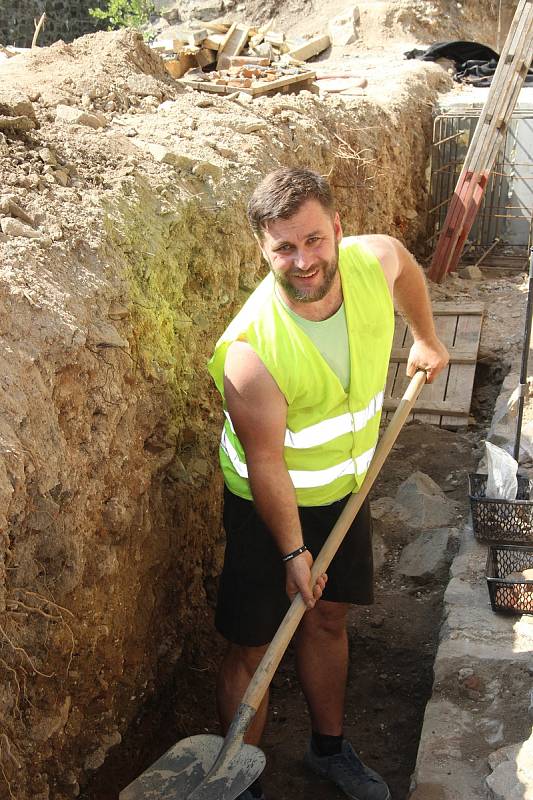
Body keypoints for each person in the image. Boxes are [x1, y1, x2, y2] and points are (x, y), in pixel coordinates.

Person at [207, 167, 449, 800]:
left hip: (344, 489)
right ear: (263, 250)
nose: (303, 260)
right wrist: (293, 552)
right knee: (254, 646)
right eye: (283, 247)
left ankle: (329, 750)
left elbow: (406, 266)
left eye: (314, 239)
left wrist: (426, 338)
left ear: (337, 229)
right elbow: (266, 465)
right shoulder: (251, 351)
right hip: (267, 509)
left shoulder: (373, 261)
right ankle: (241, 784)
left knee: (329, 617)